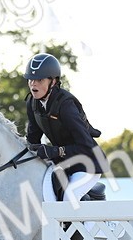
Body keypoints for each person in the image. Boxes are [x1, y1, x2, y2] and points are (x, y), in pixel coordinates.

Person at [23, 52, 109, 203]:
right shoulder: (33, 103)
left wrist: (54, 151)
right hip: (64, 163)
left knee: (70, 197)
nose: (33, 84)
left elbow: (86, 145)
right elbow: (32, 139)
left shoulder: (65, 105)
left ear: (53, 81)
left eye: (39, 80)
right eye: (31, 79)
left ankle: (88, 227)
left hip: (87, 163)